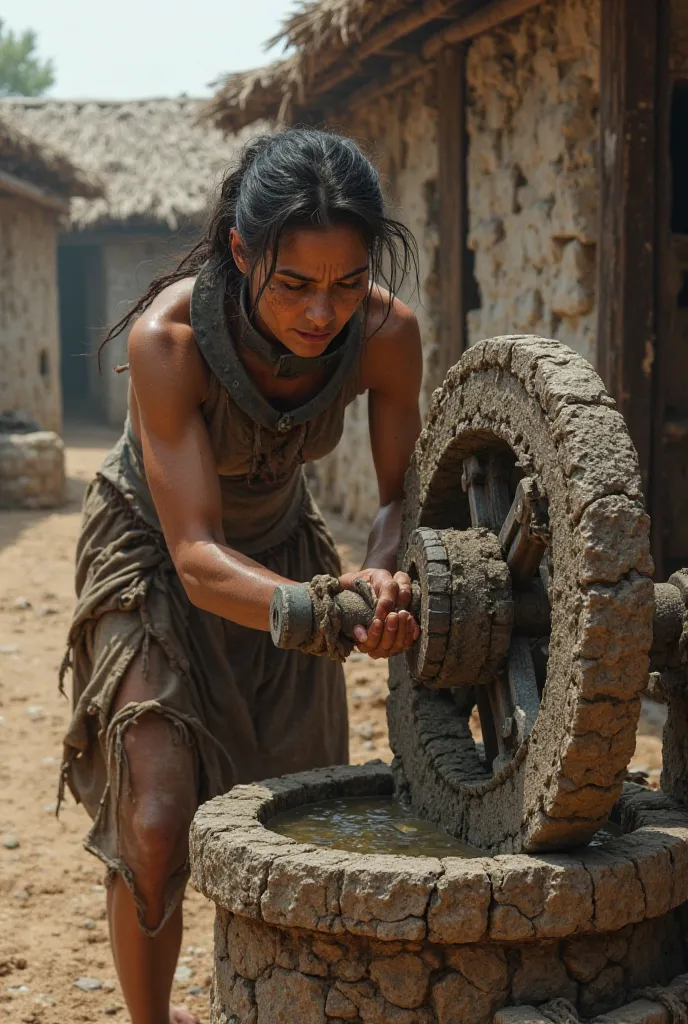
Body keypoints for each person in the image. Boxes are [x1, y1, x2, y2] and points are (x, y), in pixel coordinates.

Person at [58, 127, 423, 1024]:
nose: (319, 313)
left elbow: (398, 498)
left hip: (285, 551)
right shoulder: (169, 341)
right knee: (155, 821)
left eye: (344, 284)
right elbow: (194, 555)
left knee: (295, 818)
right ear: (240, 249)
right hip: (149, 551)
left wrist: (377, 580)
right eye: (294, 284)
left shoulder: (386, 335)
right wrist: (318, 611)